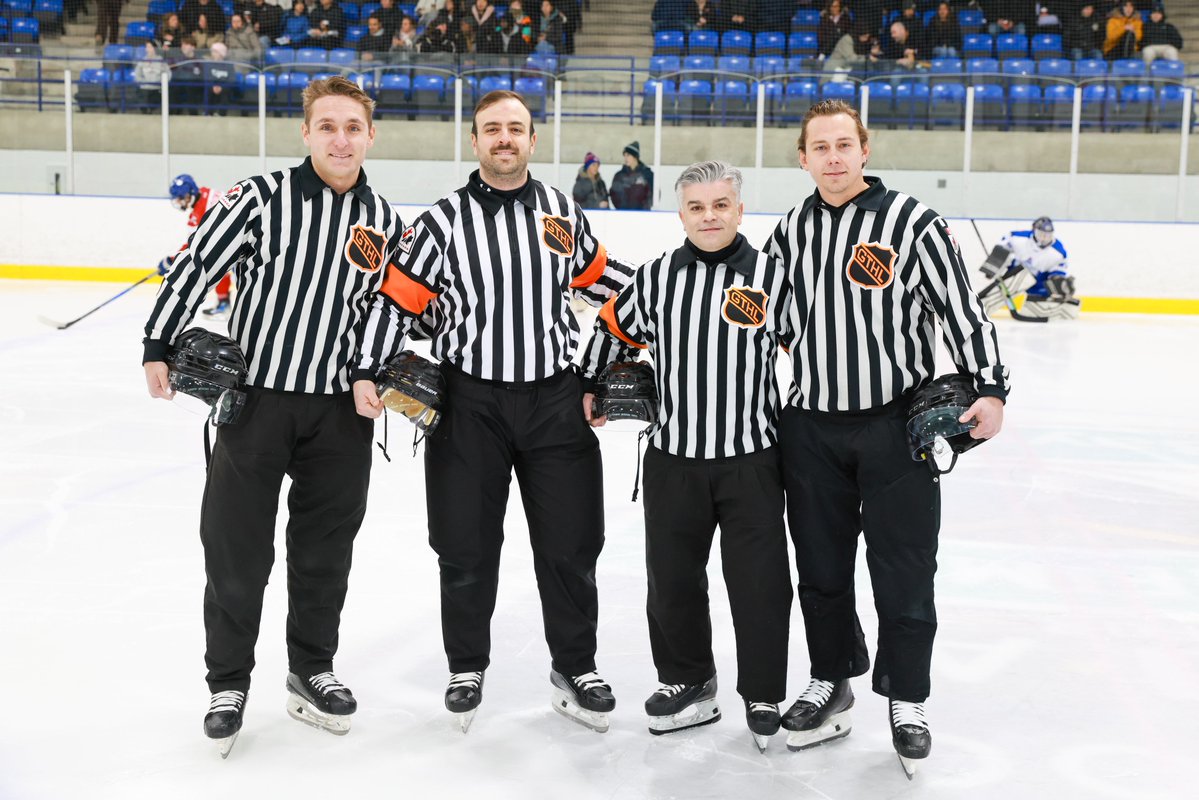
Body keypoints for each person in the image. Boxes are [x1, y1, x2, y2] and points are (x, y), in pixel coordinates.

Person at [352, 89, 636, 734]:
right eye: (492, 129)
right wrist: (366, 367)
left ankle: (576, 666)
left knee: (570, 543)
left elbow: (604, 282)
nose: (504, 138)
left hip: (555, 402)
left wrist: (668, 300)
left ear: (532, 140)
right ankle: (466, 667)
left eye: (515, 128)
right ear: (475, 140)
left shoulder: (560, 210)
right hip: (469, 404)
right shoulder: (441, 222)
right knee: (465, 544)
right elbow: (396, 301)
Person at [142, 77, 403, 757]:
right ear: (306, 132)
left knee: (325, 553)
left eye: (353, 127)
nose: (341, 139)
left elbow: (387, 309)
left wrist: (375, 369)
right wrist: (157, 342)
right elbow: (197, 266)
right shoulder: (261, 198)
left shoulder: (386, 220)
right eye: (328, 126)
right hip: (255, 403)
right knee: (237, 550)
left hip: (340, 414)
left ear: (371, 136)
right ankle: (228, 683)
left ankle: (312, 667)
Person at [765, 99, 1008, 775]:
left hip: (894, 428)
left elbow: (961, 311)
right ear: (803, 158)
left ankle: (907, 697)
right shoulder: (788, 231)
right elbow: (768, 323)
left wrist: (990, 387)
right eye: (820, 147)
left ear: (864, 150)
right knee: (819, 569)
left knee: (904, 568)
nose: (833, 158)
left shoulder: (912, 223)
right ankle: (830, 677)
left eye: (844, 145)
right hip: (811, 427)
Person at [579, 160, 794, 750]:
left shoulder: (773, 278)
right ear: (681, 215)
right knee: (672, 581)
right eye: (697, 207)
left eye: (720, 205)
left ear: (739, 210)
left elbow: (812, 346)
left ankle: (763, 691)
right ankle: (688, 680)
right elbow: (610, 328)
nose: (709, 217)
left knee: (759, 583)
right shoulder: (655, 278)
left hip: (751, 459)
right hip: (673, 458)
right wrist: (590, 382)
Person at [979, 216, 1079, 320]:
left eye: (1048, 235)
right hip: (1015, 273)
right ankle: (979, 309)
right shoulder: (1018, 238)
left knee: (1053, 291)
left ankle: (1043, 310)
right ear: (1034, 230)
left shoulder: (1059, 252)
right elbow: (1002, 247)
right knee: (1004, 287)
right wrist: (993, 265)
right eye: (1041, 234)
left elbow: (1058, 273)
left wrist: (1060, 284)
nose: (1044, 238)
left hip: (1038, 280)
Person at [608, 140, 654, 211]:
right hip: (623, 214)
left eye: (628, 155)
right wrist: (622, 209)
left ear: (635, 156)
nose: (625, 158)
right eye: (624, 155)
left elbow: (654, 193)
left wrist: (644, 209)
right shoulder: (619, 176)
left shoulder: (647, 174)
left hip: (642, 214)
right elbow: (613, 193)